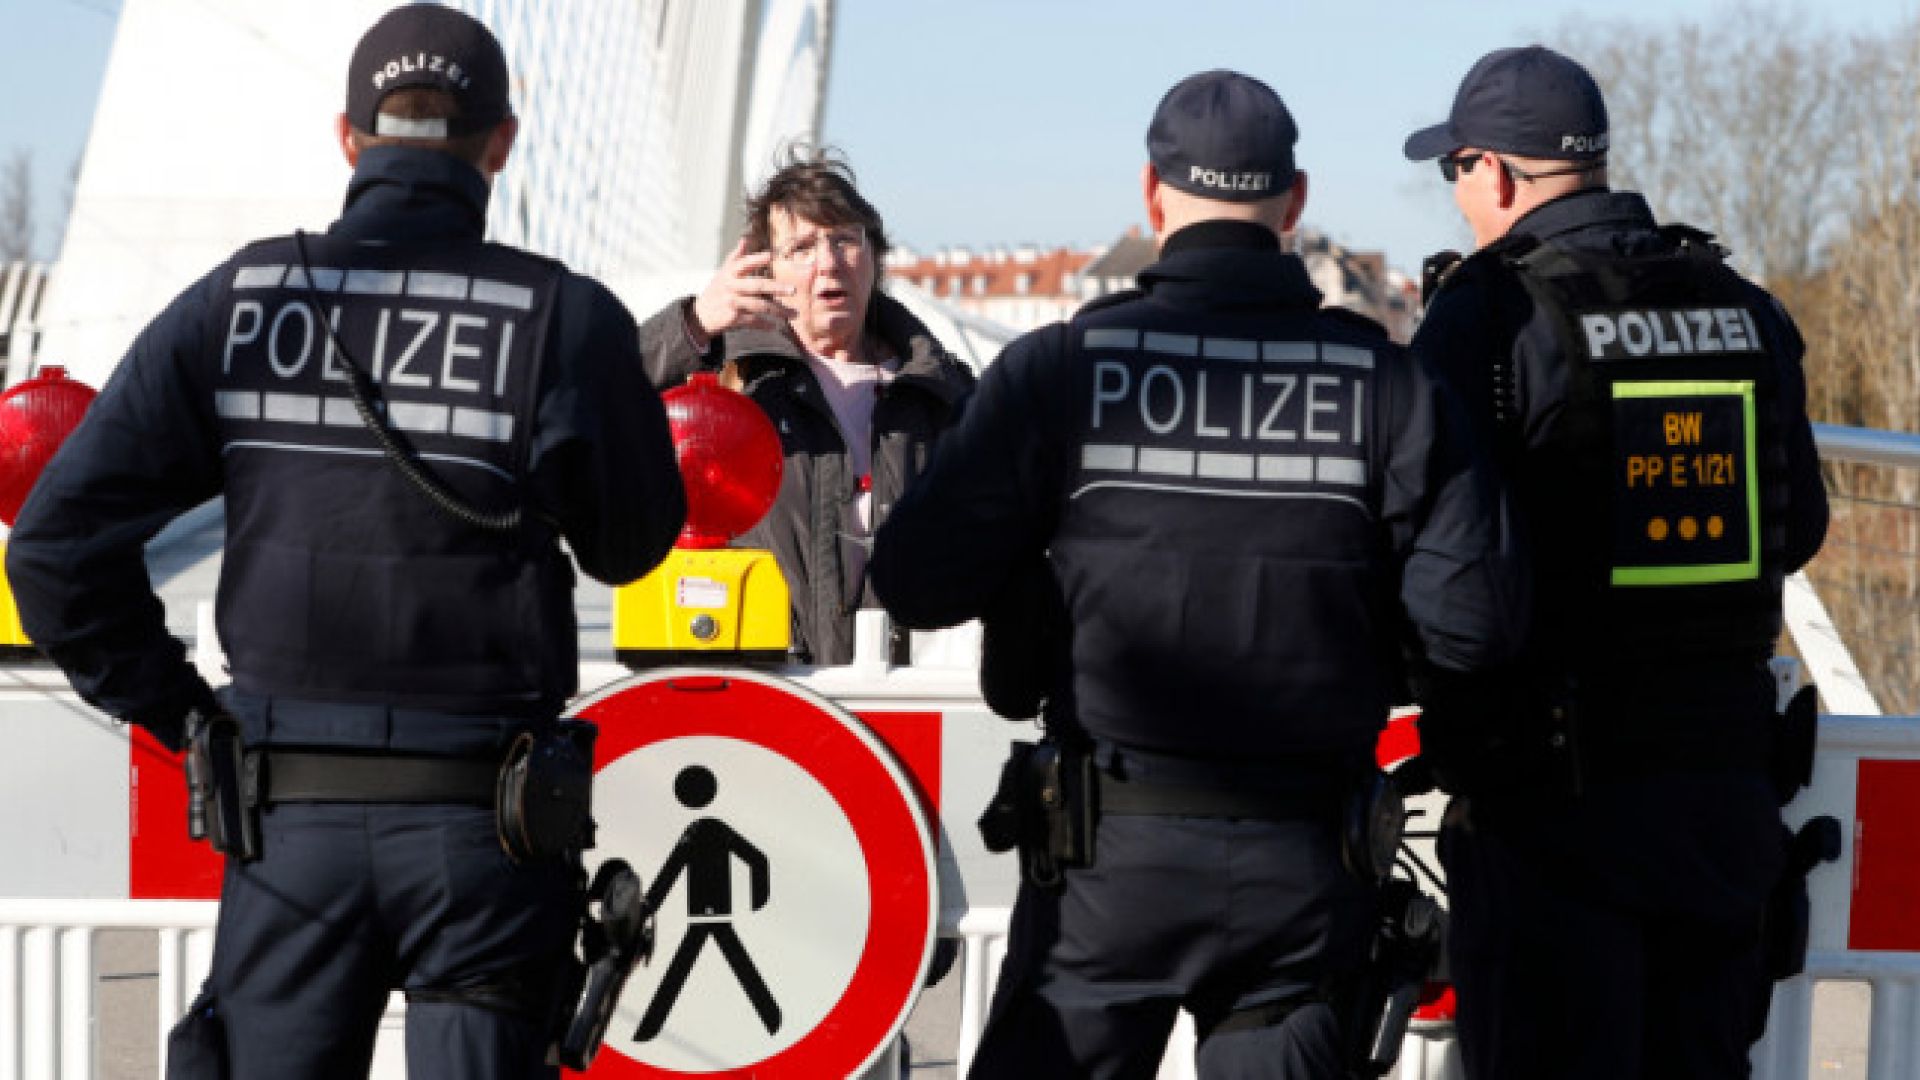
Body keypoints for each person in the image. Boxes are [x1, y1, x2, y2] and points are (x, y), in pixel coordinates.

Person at [5, 6, 686, 1078]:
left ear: (347, 137)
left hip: (290, 834)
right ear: (502, 143)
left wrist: (186, 716)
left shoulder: (242, 304)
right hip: (489, 836)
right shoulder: (562, 317)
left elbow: (53, 546)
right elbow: (631, 548)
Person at [870, 70, 1525, 1078]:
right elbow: (1473, 631)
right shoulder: (1391, 384)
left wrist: (1034, 591)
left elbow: (916, 580)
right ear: (1294, 203)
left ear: (1152, 194)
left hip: (1103, 869)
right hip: (1305, 866)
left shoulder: (1062, 372)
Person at [1403, 45, 1830, 1079]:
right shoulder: (1743, 306)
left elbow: (1435, 562)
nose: (1457, 195)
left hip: (1556, 815)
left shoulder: (1488, 316)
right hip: (1723, 805)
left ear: (1496, 172)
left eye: (1455, 170)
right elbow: (1799, 528)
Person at [638, 149, 974, 666]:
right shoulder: (732, 381)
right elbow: (600, 396)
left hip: (905, 692)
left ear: (874, 258)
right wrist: (694, 325)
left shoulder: (938, 389)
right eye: (801, 248)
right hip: (767, 681)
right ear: (765, 271)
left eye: (845, 240)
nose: (829, 262)